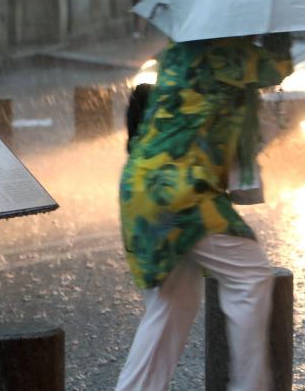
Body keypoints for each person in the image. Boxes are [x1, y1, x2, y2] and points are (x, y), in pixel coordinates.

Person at [115, 33, 292, 391]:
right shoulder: (232, 56)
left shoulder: (178, 53)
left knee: (173, 304)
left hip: (141, 188)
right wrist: (281, 35)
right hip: (183, 194)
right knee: (251, 276)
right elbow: (277, 67)